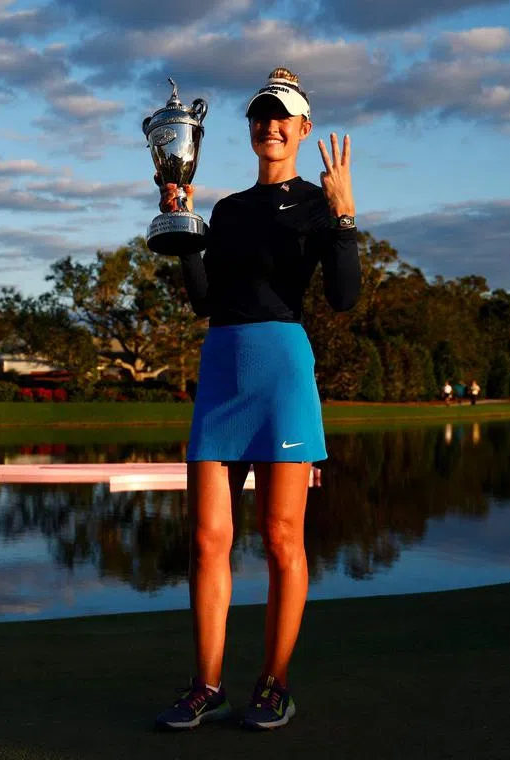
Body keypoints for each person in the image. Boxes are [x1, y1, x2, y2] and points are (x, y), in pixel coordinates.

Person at [153, 68, 360, 733]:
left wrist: (345, 218)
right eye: (260, 116)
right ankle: (206, 684)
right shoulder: (230, 210)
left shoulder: (319, 205)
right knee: (207, 540)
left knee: (280, 537)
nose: (269, 125)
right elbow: (205, 300)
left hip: (281, 376)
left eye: (281, 116)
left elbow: (343, 298)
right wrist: (184, 228)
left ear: (302, 128)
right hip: (223, 370)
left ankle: (275, 684)